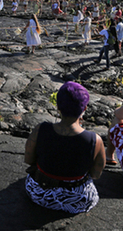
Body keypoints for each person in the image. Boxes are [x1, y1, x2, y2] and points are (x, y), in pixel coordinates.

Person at [24, 81, 105, 214]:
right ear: (84, 109)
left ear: (58, 107)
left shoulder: (41, 129)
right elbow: (96, 174)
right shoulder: (95, 140)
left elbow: (28, 160)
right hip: (77, 200)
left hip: (40, 194)